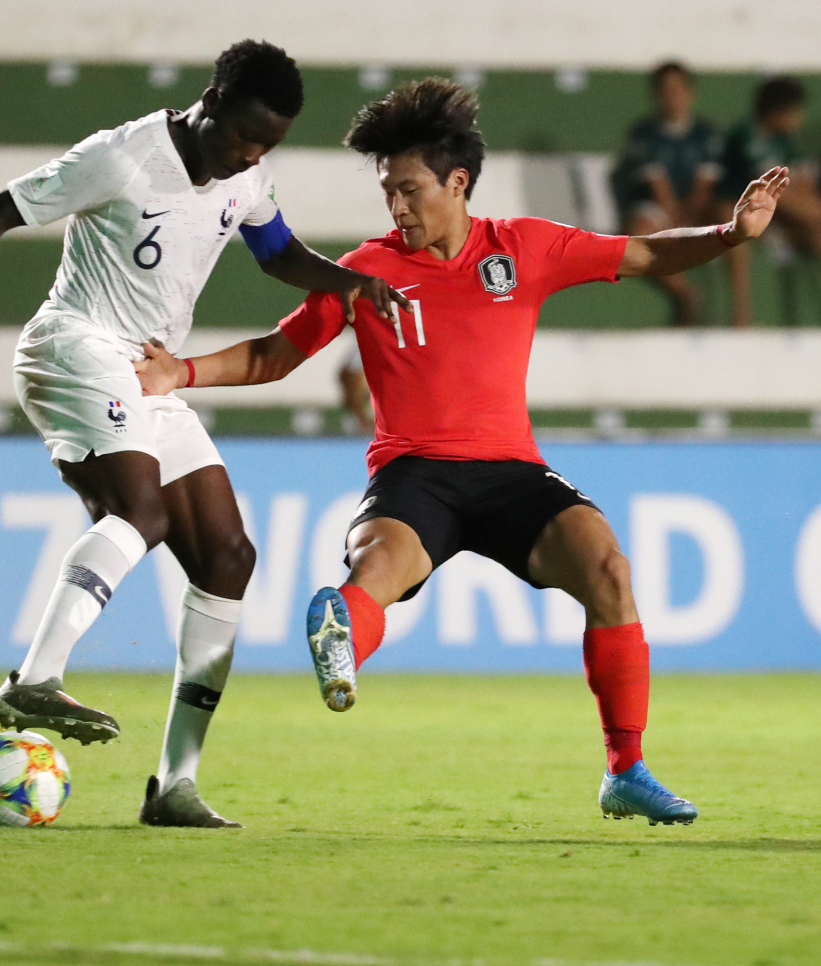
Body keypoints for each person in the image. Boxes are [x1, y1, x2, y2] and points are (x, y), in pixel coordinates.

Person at [134, 78, 787, 826]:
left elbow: (642, 253)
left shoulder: (526, 248)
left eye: (410, 191)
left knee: (609, 568)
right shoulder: (366, 270)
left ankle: (625, 768)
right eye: (388, 193)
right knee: (374, 568)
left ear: (458, 182)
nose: (397, 208)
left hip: (512, 473)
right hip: (415, 476)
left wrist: (728, 236)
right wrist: (180, 371)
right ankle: (339, 632)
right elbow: (277, 354)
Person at [0, 39, 400, 829]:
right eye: (240, 138)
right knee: (141, 513)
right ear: (212, 102)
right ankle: (35, 675)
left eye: (265, 146)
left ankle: (174, 785)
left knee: (229, 556)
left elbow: (278, 254)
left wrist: (353, 281)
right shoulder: (123, 156)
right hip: (76, 344)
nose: (247, 157)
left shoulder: (249, 175)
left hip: (147, 369)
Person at [611, 62, 723, 326]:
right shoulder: (643, 134)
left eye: (678, 89)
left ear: (690, 92)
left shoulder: (706, 134)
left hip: (695, 211)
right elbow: (658, 188)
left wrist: (689, 218)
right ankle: (684, 293)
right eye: (665, 90)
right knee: (641, 230)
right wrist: (676, 220)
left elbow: (704, 186)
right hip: (658, 210)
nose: (672, 96)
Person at [720, 76, 821, 327]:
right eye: (794, 112)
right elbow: (771, 189)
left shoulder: (788, 140)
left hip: (778, 215)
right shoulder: (747, 135)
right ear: (776, 112)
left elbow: (803, 184)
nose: (798, 118)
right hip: (739, 210)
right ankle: (741, 317)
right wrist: (811, 212)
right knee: (737, 231)